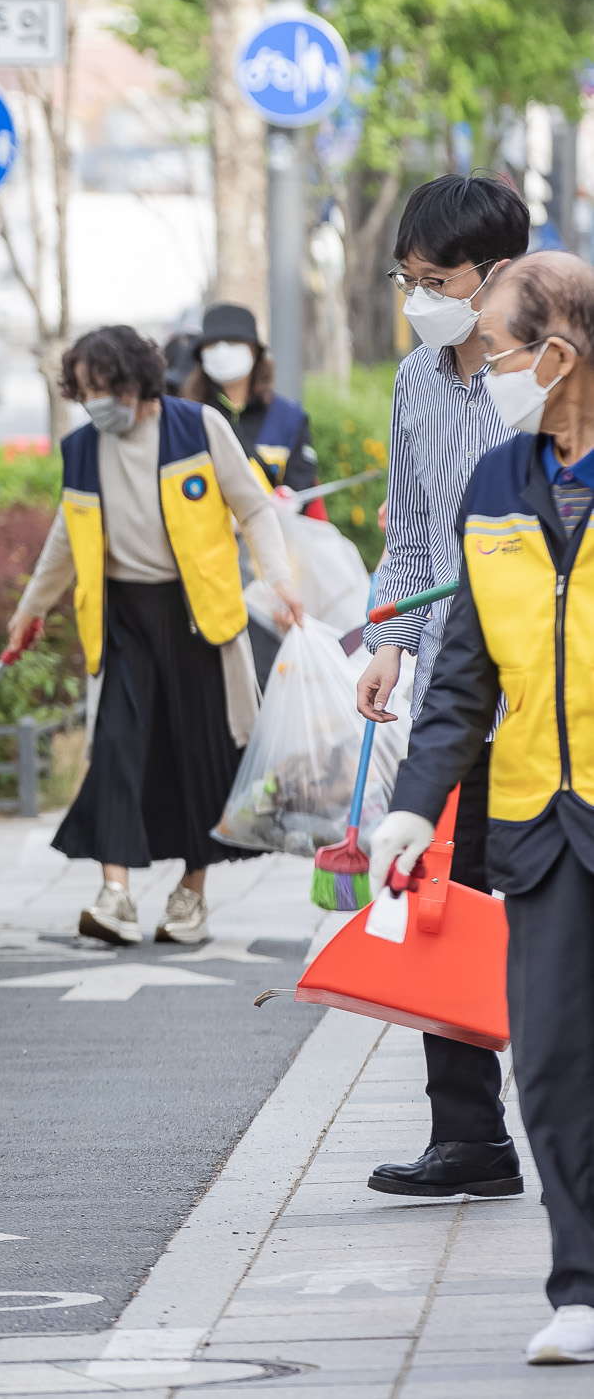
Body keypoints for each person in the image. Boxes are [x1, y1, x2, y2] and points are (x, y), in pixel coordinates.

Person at [367, 251, 594, 1365]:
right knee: (551, 1062)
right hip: (539, 828)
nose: (485, 365)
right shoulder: (498, 484)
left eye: (498, 349)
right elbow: (464, 671)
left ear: (557, 355)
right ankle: (581, 1286)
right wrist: (414, 810)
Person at [3, 327, 304, 947]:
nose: (92, 403)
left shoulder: (198, 428)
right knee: (116, 746)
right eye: (82, 391)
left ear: (134, 381)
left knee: (200, 753)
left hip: (197, 615)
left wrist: (278, 580)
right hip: (124, 620)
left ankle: (190, 898)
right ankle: (115, 896)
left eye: (101, 389)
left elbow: (252, 507)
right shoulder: (84, 448)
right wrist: (28, 611)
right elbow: (66, 538)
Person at [352, 172, 530, 1205]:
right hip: (456, 677)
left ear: (497, 272)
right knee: (441, 893)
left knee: (553, 884)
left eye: (439, 277)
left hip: (551, 673)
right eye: (407, 277)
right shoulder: (416, 378)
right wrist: (388, 638)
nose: (421, 296)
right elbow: (409, 525)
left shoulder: (553, 370)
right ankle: (466, 1133)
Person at [182, 302, 323, 510]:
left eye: (233, 342)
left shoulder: (289, 417)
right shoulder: (188, 417)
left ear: (254, 350)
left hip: (271, 535)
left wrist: (289, 500)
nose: (222, 352)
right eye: (212, 344)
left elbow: (302, 481)